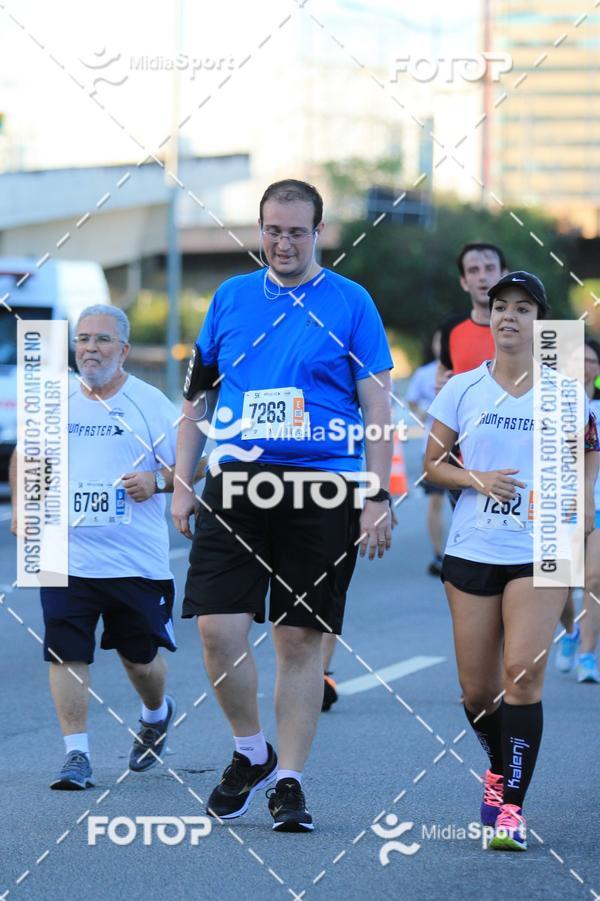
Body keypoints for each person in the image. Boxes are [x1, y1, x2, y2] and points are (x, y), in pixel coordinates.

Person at [172, 178, 394, 832]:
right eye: (273, 229)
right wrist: (183, 482)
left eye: (297, 230)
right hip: (235, 483)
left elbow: (378, 403)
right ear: (260, 229)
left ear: (319, 232)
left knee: (299, 639)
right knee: (217, 627)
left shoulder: (352, 302)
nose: (283, 241)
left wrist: (376, 492)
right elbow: (197, 400)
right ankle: (251, 750)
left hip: (322, 484)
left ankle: (290, 781)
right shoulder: (230, 297)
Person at [425, 271, 598, 851]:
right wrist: (477, 478)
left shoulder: (567, 393)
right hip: (473, 548)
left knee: (522, 675)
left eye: (523, 309)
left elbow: (585, 461)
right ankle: (500, 765)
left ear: (539, 323)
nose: (508, 317)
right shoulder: (462, 389)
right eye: (501, 307)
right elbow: (433, 464)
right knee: (477, 693)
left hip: (540, 549)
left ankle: (510, 808)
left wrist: (576, 518)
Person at [10, 305, 181, 790]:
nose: (90, 348)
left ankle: (156, 712)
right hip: (66, 553)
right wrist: (24, 508)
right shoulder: (56, 399)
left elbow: (198, 463)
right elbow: (27, 454)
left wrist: (157, 480)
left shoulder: (150, 403)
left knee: (139, 658)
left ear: (123, 350)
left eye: (102, 340)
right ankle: (76, 756)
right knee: (66, 652)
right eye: (82, 339)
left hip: (133, 560)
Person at [555, 337, 600, 682]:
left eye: (592, 360)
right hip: (558, 502)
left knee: (594, 580)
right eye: (580, 359)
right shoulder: (551, 405)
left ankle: (587, 655)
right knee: (555, 583)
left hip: (597, 502)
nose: (586, 365)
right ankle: (570, 631)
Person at [436, 242, 508, 390]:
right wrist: (441, 386)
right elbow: (442, 373)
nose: (482, 277)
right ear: (464, 282)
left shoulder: (531, 328)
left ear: (504, 275)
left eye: (489, 268)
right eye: (473, 270)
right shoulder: (451, 327)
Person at [405, 330, 445, 575]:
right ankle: (438, 554)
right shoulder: (424, 374)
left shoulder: (467, 370)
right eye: (438, 340)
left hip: (465, 447)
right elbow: (411, 401)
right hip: (432, 446)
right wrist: (421, 413)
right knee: (436, 501)